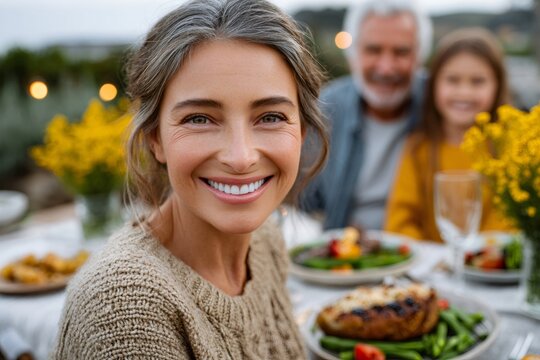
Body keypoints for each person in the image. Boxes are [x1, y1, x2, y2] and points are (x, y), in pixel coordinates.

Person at [51, 0, 328, 358]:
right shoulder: (124, 308)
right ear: (155, 138)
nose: (241, 157)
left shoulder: (265, 241)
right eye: (199, 119)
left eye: (271, 116)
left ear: (302, 131)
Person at [300, 0, 433, 231]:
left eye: (401, 52)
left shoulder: (441, 105)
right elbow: (304, 203)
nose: (386, 67)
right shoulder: (325, 109)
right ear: (353, 55)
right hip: (346, 256)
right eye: (373, 50)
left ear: (420, 58)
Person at [384, 27, 513, 242]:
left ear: (497, 86)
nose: (464, 92)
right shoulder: (417, 147)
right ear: (434, 84)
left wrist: (477, 254)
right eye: (452, 80)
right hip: (430, 269)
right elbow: (400, 221)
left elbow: (509, 222)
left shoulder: (508, 147)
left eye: (478, 81)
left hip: (491, 268)